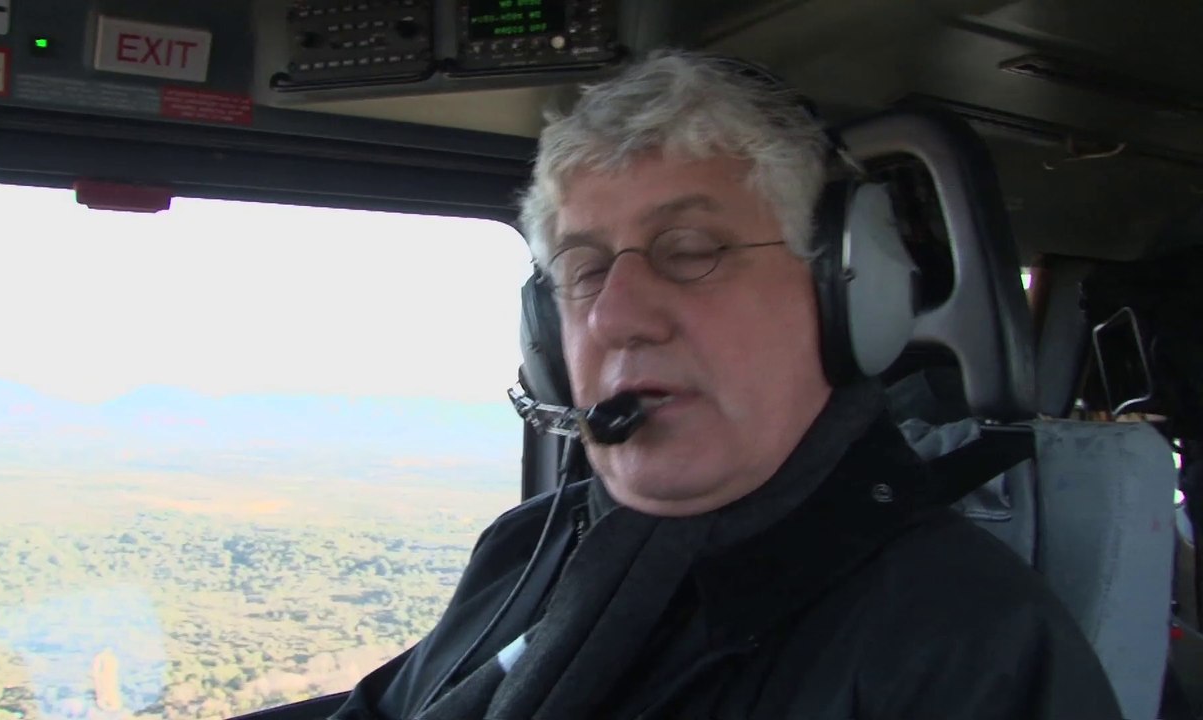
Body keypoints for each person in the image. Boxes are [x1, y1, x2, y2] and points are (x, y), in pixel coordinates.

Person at [331, 50, 1123, 720]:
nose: (618, 317)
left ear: (844, 294)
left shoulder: (967, 647)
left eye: (690, 249)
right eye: (585, 268)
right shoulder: (529, 547)